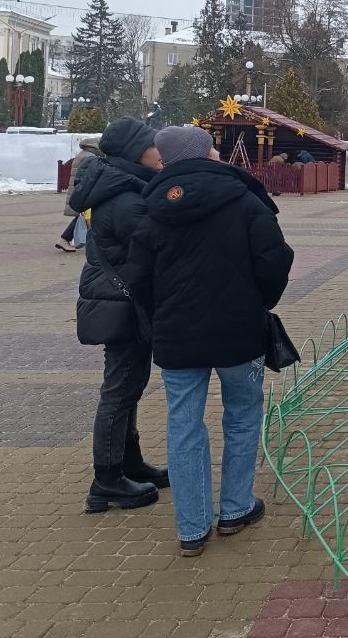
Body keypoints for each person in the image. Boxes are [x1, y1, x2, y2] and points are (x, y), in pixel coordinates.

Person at [129, 125, 294, 557]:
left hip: (177, 336)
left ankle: (192, 526)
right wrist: (260, 300)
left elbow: (138, 278)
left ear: (166, 161)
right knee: (242, 415)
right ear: (207, 154)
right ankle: (236, 508)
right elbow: (275, 259)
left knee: (183, 424)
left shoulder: (151, 207)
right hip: (239, 332)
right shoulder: (244, 199)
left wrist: (160, 315)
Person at [69, 118, 167, 513]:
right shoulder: (127, 197)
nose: (159, 152)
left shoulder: (124, 186)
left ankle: (129, 462)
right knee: (120, 389)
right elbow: (157, 244)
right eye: (152, 146)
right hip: (123, 304)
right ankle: (106, 479)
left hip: (124, 301)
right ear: (135, 153)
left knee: (129, 385)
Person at [57, 136, 102, 252]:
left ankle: (66, 239)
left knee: (82, 216)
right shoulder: (90, 157)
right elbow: (90, 176)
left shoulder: (83, 154)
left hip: (79, 190)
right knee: (84, 216)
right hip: (83, 191)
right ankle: (65, 239)